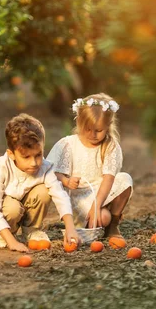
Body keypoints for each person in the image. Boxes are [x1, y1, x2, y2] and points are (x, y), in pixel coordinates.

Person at [0, 114, 79, 252]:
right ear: (11, 154)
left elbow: (60, 196)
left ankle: (31, 230)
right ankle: (8, 233)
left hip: (29, 202)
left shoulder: (46, 167)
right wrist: (12, 243)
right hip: (8, 206)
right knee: (12, 208)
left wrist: (70, 228)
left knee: (44, 191)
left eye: (38, 155)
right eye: (26, 157)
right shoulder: (1, 166)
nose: (34, 163)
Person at [47, 93, 133, 238]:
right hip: (80, 197)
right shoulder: (68, 144)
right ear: (79, 122)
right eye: (88, 129)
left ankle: (113, 224)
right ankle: (101, 219)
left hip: (102, 192)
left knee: (125, 179)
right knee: (104, 217)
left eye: (98, 130)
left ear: (108, 126)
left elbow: (108, 179)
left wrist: (97, 205)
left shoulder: (110, 146)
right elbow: (50, 171)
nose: (93, 134)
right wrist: (66, 181)